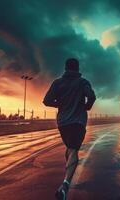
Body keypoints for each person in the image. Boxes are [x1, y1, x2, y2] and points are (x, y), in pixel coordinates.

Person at [43, 58, 96, 200]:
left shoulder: (57, 83)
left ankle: (68, 171)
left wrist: (60, 103)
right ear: (78, 68)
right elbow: (91, 96)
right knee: (73, 150)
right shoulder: (83, 82)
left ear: (65, 68)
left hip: (62, 123)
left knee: (69, 148)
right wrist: (87, 106)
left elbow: (46, 101)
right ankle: (66, 184)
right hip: (77, 121)